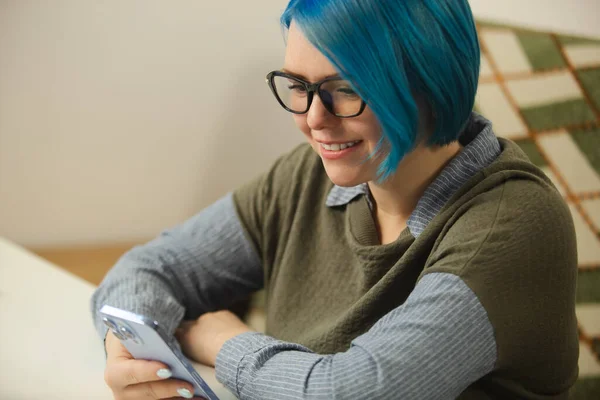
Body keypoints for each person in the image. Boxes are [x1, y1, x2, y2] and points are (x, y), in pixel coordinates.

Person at [91, 0, 579, 399]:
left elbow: (353, 393)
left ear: (431, 82)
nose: (313, 120)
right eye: (298, 86)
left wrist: (221, 341)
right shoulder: (307, 176)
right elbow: (150, 269)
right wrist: (128, 347)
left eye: (344, 90)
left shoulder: (512, 225)